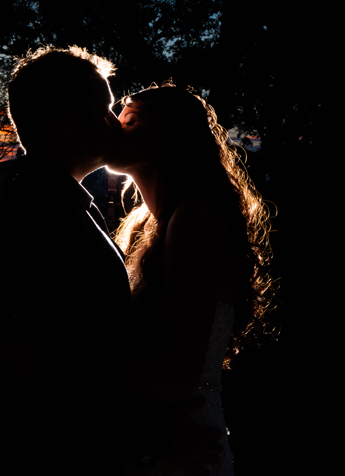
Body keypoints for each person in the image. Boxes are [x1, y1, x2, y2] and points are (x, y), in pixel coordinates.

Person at [0, 47, 222, 475]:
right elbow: (61, 367)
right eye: (104, 110)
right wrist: (151, 441)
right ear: (64, 120)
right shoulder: (45, 218)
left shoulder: (69, 207)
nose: (113, 123)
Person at [108, 81, 276, 475]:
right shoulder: (142, 224)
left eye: (129, 120)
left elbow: (179, 373)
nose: (113, 126)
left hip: (185, 447)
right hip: (159, 441)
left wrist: (76, 363)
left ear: (168, 137)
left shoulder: (196, 221)